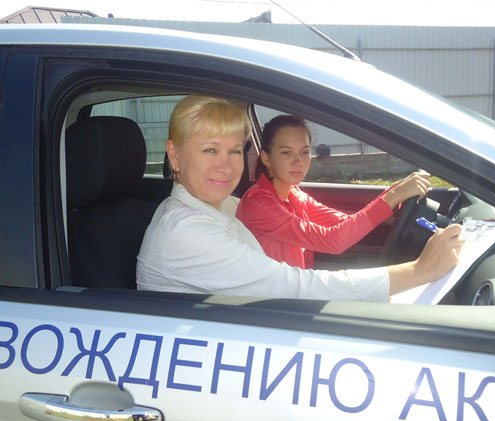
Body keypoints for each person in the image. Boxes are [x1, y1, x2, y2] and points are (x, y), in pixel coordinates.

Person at [136, 94, 463, 303]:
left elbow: (343, 226)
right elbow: (297, 286)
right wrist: (418, 271)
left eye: (234, 151)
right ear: (174, 155)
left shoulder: (225, 206)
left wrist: (393, 203)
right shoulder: (186, 230)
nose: (226, 165)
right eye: (210, 150)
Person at [236, 114, 431, 268]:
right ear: (266, 158)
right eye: (286, 152)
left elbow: (345, 223)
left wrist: (393, 192)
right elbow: (333, 241)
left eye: (304, 152)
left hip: (297, 287)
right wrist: (394, 196)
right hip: (271, 300)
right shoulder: (258, 203)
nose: (298, 161)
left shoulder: (295, 194)